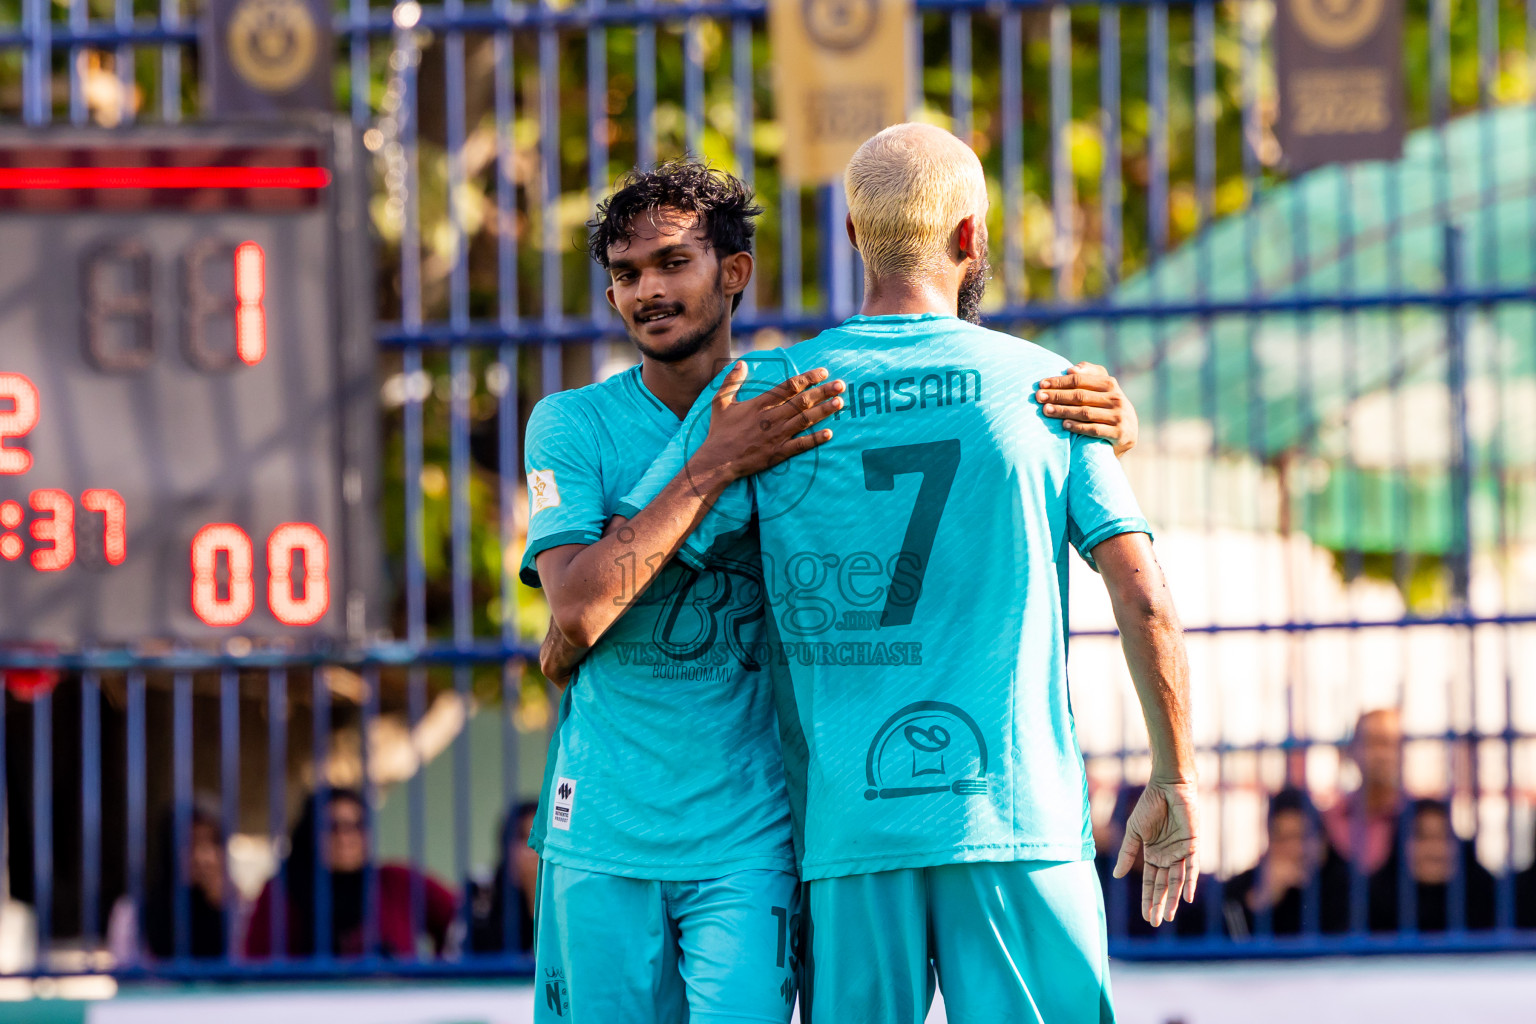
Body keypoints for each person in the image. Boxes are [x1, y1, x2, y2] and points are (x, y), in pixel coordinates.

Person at [525, 161, 1142, 1023]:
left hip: (753, 839)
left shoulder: (801, 403)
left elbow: (953, 427)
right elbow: (576, 612)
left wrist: (1109, 421)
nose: (647, 292)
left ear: (734, 272)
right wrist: (709, 468)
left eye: (673, 264)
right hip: (600, 826)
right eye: (626, 276)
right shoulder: (573, 421)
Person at [244, 788, 457, 958]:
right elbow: (255, 962)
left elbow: (461, 918)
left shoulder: (396, 881)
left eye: (356, 826)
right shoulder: (281, 891)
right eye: (331, 826)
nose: (345, 837)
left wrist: (435, 979)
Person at [108, 798, 229, 961]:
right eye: (191, 843)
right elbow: (127, 977)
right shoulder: (132, 913)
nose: (204, 857)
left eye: (212, 843)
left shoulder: (240, 912)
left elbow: (249, 974)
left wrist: (223, 911)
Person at [1367, 798, 1496, 933]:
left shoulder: (1487, 899)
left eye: (1445, 837)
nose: (1435, 850)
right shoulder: (1371, 905)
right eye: (1421, 837)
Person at [1222, 787, 1330, 939]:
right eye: (1282, 838)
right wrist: (1260, 901)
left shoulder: (1347, 886)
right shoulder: (1244, 886)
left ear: (1322, 841)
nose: (1294, 848)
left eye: (1302, 836)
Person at [1324, 708, 1404, 875]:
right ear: (1351, 751)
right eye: (1372, 742)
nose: (1382, 754)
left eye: (1390, 743)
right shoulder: (1328, 820)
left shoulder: (1419, 817)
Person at [467, 800, 540, 955]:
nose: (533, 852)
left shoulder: (565, 898)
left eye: (540, 840)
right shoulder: (479, 889)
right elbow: (470, 957)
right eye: (523, 838)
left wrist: (535, 902)